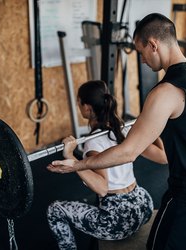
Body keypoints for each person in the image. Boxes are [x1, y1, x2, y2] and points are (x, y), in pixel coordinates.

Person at [47, 13, 186, 250]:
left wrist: (75, 164)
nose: (142, 60)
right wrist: (145, 127)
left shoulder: (165, 92)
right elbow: (178, 143)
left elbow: (128, 153)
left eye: (141, 51)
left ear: (153, 44)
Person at [46, 80, 167, 250]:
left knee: (55, 210)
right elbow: (163, 157)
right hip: (143, 205)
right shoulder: (125, 129)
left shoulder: (93, 143)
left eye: (79, 103)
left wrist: (71, 156)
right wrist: (150, 126)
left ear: (87, 108)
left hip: (118, 220)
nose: (79, 107)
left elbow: (102, 187)